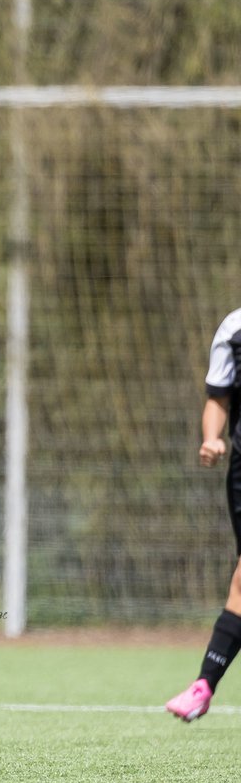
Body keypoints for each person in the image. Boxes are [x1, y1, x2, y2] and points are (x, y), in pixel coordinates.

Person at [166, 307, 241, 721]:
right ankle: (204, 685)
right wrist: (211, 438)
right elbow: (218, 397)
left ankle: (205, 683)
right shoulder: (234, 329)